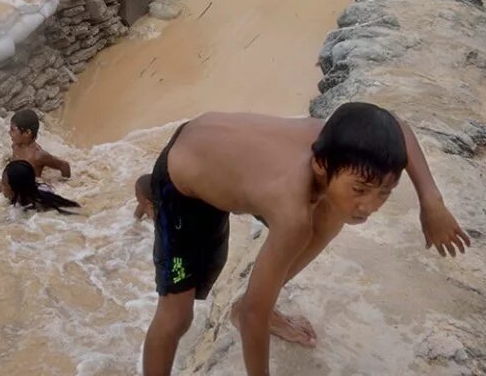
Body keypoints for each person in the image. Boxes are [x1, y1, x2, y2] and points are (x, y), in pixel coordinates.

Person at [142, 104, 469, 376]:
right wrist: (257, 318)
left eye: (384, 192)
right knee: (176, 317)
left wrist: (431, 202)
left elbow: (397, 125)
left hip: (223, 152)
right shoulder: (292, 214)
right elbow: (254, 313)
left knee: (331, 214)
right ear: (321, 165)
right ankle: (150, 194)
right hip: (183, 186)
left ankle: (150, 195)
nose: (369, 206)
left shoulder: (344, 141)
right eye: (359, 189)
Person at [1, 159, 80, 215]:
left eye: (4, 184)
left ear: (14, 188)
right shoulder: (40, 188)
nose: (2, 186)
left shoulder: (28, 210)